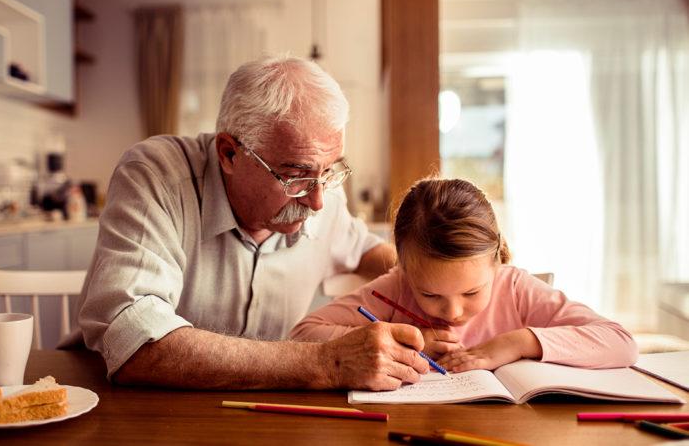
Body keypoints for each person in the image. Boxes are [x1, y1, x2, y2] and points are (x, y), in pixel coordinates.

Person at [76, 54, 430, 390]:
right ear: (229, 153)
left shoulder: (323, 195)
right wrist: (328, 363)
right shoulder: (156, 176)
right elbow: (135, 345)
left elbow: (368, 251)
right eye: (295, 175)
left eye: (328, 172)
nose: (317, 200)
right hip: (124, 405)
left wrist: (440, 291)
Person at [290, 178, 638, 373]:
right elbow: (303, 334)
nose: (453, 312)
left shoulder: (514, 288)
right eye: (430, 295)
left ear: (496, 260)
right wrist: (402, 341)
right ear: (405, 270)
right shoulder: (394, 289)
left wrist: (517, 343)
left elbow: (621, 343)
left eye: (472, 293)